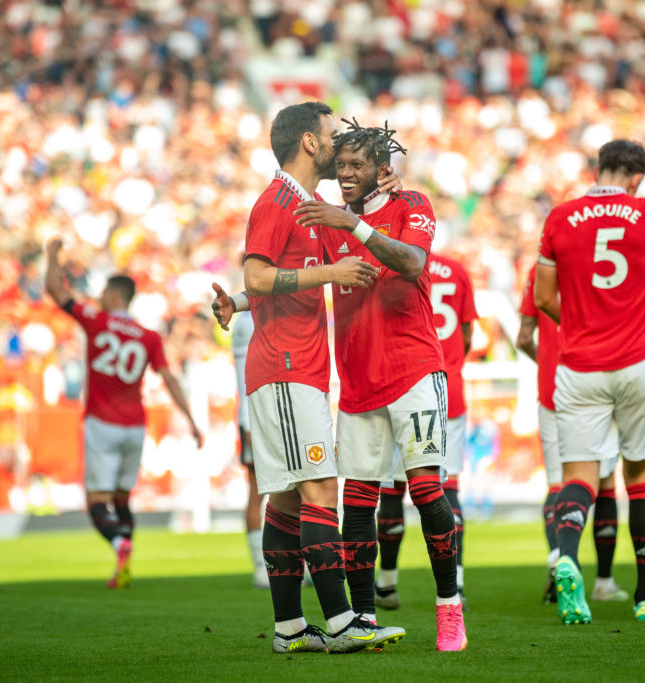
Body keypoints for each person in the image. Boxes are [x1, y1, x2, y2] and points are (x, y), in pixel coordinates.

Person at [211, 102, 404, 654]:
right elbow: (258, 269)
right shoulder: (276, 200)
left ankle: (291, 629)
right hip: (286, 368)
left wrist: (240, 304)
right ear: (310, 144)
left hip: (298, 369)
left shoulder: (307, 204)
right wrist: (331, 273)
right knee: (321, 489)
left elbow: (262, 283)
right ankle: (342, 622)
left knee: (289, 504)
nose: (338, 147)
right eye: (330, 134)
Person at [292, 118, 467, 651]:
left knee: (427, 490)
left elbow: (413, 263)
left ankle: (448, 608)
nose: (345, 174)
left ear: (382, 171)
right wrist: (241, 298)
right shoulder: (327, 220)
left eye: (356, 166)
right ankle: (365, 617)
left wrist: (355, 226)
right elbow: (295, 276)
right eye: (340, 165)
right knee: (360, 500)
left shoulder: (411, 202)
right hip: (358, 377)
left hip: (413, 369)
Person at [534, 139, 645, 624]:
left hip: (578, 365)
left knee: (579, 479)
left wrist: (577, 324)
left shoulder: (559, 218)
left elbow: (543, 296)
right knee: (640, 477)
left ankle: (567, 555)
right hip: (636, 361)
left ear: (598, 168)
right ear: (636, 176)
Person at [45, 239, 203, 589]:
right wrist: (190, 419)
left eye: (104, 293)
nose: (100, 298)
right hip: (135, 426)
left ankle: (119, 543)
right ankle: (124, 566)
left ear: (115, 297)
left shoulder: (95, 319)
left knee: (97, 501)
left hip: (102, 422)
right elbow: (170, 379)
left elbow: (55, 290)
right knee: (122, 497)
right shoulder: (148, 337)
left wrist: (53, 254)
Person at [517, 265, 627, 605]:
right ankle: (604, 582)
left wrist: (548, 363)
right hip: (596, 383)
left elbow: (523, 338)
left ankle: (558, 559)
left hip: (553, 388)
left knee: (557, 482)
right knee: (604, 482)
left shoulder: (539, 270)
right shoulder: (602, 264)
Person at [374, 249, 476, 611]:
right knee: (445, 488)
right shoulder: (457, 270)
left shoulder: (388, 263)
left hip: (401, 383)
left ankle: (386, 582)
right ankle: (456, 582)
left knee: (392, 488)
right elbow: (467, 337)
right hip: (447, 388)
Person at [231, 308, 267, 588]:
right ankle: (261, 568)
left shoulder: (245, 317)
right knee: (258, 492)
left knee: (284, 492)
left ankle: (267, 567)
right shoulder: (252, 318)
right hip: (256, 417)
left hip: (256, 416)